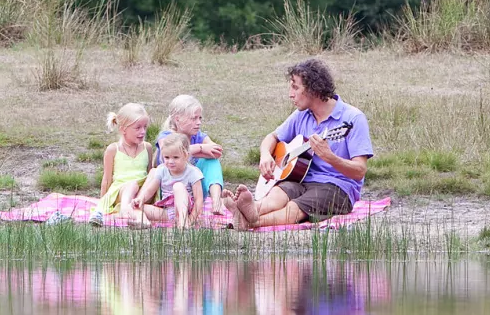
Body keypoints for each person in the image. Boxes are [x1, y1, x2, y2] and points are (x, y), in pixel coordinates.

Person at [232, 59, 373, 230]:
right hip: (302, 180)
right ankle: (252, 209)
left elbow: (360, 171)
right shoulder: (302, 115)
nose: (290, 94)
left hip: (337, 186)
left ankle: (251, 221)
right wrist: (265, 155)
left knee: (295, 207)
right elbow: (272, 137)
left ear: (313, 89)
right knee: (278, 194)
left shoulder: (353, 119)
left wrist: (330, 157)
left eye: (295, 87)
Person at [157, 94, 226, 214]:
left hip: (195, 191)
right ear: (177, 119)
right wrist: (200, 148)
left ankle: (216, 201)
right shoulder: (166, 136)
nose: (198, 123)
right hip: (170, 190)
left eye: (200, 118)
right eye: (193, 118)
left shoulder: (198, 136)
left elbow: (216, 151)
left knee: (211, 161)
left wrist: (200, 151)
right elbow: (166, 152)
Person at [94, 102, 151, 226]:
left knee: (153, 174)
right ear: (123, 129)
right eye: (138, 128)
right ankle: (125, 208)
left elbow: (150, 174)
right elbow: (107, 180)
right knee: (132, 185)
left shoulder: (147, 147)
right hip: (121, 192)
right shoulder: (113, 150)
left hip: (141, 194)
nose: (143, 132)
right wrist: (102, 203)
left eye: (145, 127)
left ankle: (141, 221)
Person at [135, 132, 204, 230]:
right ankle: (142, 222)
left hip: (185, 209)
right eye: (167, 157)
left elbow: (199, 200)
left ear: (186, 156)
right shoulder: (162, 169)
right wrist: (141, 198)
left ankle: (183, 223)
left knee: (178, 186)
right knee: (136, 208)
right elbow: (151, 190)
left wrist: (191, 219)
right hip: (167, 212)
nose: (170, 161)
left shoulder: (193, 172)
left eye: (175, 157)